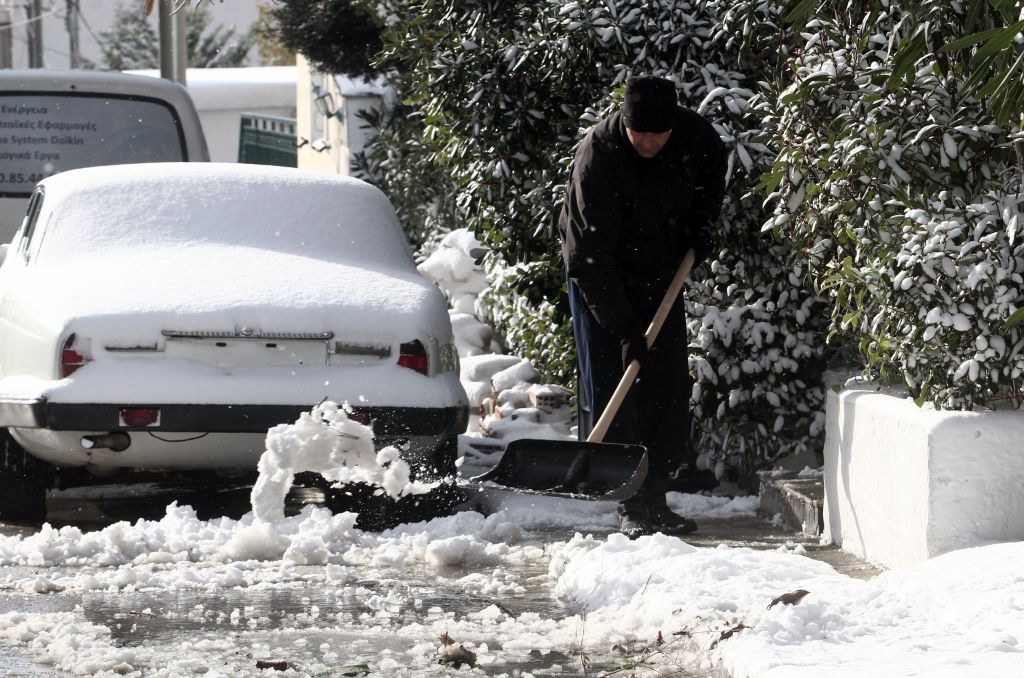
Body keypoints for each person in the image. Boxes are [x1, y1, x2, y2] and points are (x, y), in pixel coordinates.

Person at [557, 75, 727, 539]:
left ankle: (656, 495)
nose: (649, 142)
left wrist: (701, 223)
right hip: (601, 275)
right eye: (640, 133)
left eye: (659, 133)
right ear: (624, 122)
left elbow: (713, 177)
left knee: (666, 384)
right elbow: (588, 259)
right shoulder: (599, 158)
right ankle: (629, 500)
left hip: (661, 273)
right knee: (617, 378)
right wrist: (624, 327)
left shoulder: (695, 137)